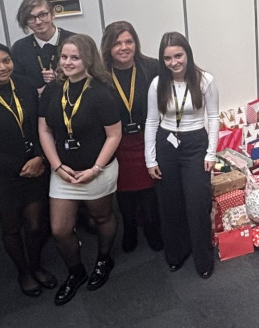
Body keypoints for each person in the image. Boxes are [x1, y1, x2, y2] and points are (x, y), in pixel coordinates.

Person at [0, 43, 57, 298]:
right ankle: (23, 272)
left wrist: (39, 157)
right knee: (12, 228)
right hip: (4, 177)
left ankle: (36, 265)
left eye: (6, 60)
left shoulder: (25, 85)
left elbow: (42, 125)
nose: (2, 67)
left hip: (36, 168)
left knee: (36, 225)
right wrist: (21, 166)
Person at [37, 34, 122, 305]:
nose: (68, 62)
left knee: (102, 218)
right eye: (64, 57)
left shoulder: (101, 90)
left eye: (75, 57)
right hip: (62, 172)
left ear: (87, 59)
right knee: (60, 230)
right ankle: (76, 273)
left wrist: (95, 169)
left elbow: (114, 136)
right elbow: (44, 129)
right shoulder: (52, 90)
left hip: (96, 171)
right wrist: (56, 165)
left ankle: (103, 260)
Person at [144, 32, 219, 278]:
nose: (174, 62)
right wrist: (150, 158)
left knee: (198, 203)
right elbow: (152, 121)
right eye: (167, 58)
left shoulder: (205, 80)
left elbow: (213, 117)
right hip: (166, 144)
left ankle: (203, 259)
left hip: (196, 144)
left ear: (187, 53)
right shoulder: (158, 84)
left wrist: (211, 153)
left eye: (178, 55)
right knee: (170, 204)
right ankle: (176, 253)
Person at [100, 21, 163, 252]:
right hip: (116, 142)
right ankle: (129, 227)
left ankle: (151, 227)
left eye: (128, 41)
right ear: (108, 47)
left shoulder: (151, 67)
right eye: (117, 43)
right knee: (124, 192)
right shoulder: (100, 75)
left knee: (149, 190)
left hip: (146, 138)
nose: (124, 47)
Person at [10, 0, 76, 92]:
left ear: (52, 14)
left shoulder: (75, 41)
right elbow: (16, 83)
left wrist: (62, 77)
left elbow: (89, 74)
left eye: (42, 15)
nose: (38, 22)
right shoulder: (19, 48)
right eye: (31, 18)